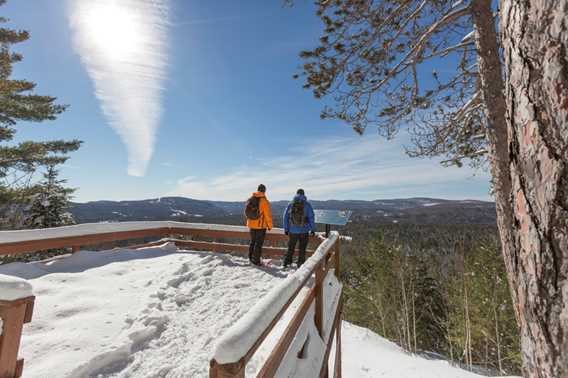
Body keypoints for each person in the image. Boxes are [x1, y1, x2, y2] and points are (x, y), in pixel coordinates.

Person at [283, 188, 315, 268]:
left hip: (293, 230)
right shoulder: (307, 204)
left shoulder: (291, 204)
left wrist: (286, 229)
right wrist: (312, 229)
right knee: (302, 248)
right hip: (304, 230)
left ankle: (286, 263)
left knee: (291, 247)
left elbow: (285, 217)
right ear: (304, 194)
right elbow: (311, 217)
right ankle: (300, 265)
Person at [244, 184, 273, 266]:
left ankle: (250, 258)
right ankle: (256, 261)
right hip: (260, 226)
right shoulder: (264, 201)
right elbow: (267, 215)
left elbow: (246, 212)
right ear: (264, 191)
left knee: (253, 242)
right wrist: (270, 226)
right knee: (258, 244)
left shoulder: (251, 199)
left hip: (251, 225)